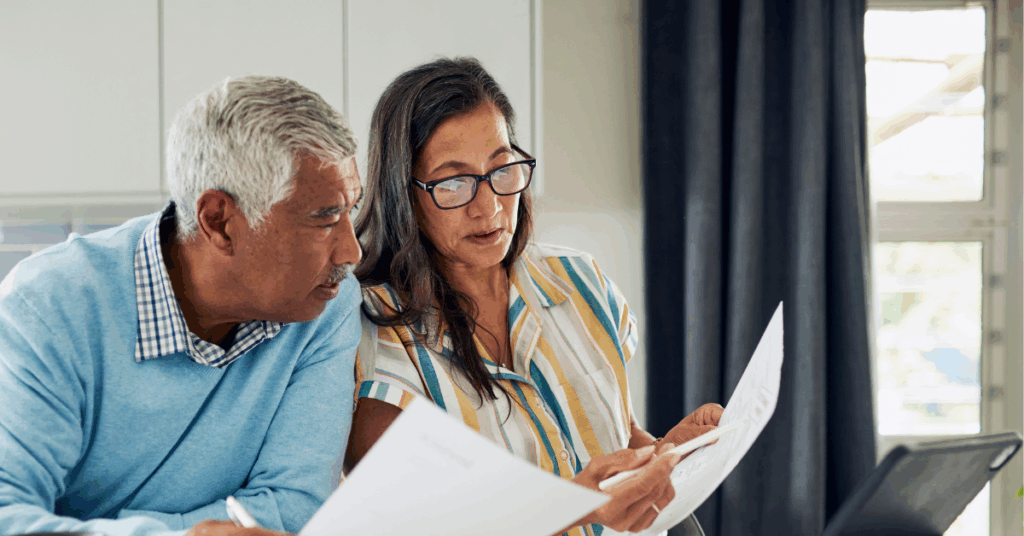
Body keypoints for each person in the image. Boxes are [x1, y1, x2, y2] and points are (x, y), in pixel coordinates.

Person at [345, 57, 723, 536]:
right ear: (403, 193)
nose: (489, 206)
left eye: (502, 169)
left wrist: (669, 453)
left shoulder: (580, 280)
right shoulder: (373, 342)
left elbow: (619, 436)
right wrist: (576, 506)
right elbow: (419, 525)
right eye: (454, 183)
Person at [0, 75, 363, 536]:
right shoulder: (47, 307)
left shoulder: (326, 304)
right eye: (324, 219)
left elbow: (294, 508)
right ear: (219, 222)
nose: (352, 252)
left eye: (350, 210)